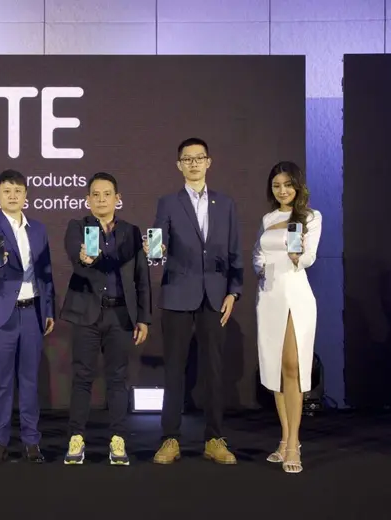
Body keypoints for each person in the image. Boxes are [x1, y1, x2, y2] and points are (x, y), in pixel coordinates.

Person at [149, 137, 243, 465]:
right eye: (187, 159)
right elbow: (157, 246)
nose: (193, 163)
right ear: (179, 165)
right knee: (174, 370)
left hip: (215, 296)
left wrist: (233, 291)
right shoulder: (167, 203)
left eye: (199, 158)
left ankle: (214, 439)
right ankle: (170, 439)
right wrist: (155, 251)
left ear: (208, 162)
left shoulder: (225, 204)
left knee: (214, 370)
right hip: (177, 292)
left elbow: (235, 252)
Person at [61, 172, 150, 466]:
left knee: (117, 379)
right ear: (87, 200)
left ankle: (118, 438)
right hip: (86, 313)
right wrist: (84, 258)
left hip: (120, 315)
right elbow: (75, 256)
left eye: (107, 194)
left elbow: (141, 278)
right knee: (82, 377)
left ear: (117, 198)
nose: (101, 199)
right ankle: (76, 437)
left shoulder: (131, 232)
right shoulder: (77, 227)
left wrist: (144, 318)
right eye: (95, 195)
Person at [0, 169, 56, 464]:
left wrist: (49, 309)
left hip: (33, 311)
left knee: (30, 380)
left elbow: (46, 272)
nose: (12, 196)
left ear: (26, 196)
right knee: (2, 382)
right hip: (2, 313)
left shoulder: (38, 228)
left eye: (18, 191)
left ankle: (32, 442)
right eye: (6, 191)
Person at [254, 161, 322, 474]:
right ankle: (283, 439)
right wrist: (259, 267)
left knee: (293, 366)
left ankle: (294, 442)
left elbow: (309, 257)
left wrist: (297, 256)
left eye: (287, 185)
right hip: (268, 295)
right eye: (277, 186)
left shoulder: (310, 217)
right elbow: (257, 255)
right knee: (275, 368)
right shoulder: (268, 218)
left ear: (298, 186)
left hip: (296, 293)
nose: (283, 191)